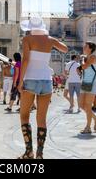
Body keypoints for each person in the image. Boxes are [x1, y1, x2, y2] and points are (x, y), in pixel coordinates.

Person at [17, 17, 68, 159]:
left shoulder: (27, 39)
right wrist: (51, 41)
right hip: (46, 80)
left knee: (24, 115)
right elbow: (65, 49)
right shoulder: (49, 39)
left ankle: (29, 152)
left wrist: (20, 81)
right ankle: (40, 154)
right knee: (41, 118)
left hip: (31, 79)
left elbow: (25, 60)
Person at [78, 42, 96, 135]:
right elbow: (83, 69)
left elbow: (84, 66)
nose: (84, 47)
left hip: (92, 84)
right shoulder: (86, 58)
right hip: (84, 83)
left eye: (86, 46)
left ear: (90, 48)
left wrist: (82, 60)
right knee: (81, 105)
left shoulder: (93, 57)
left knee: (87, 105)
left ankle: (88, 127)